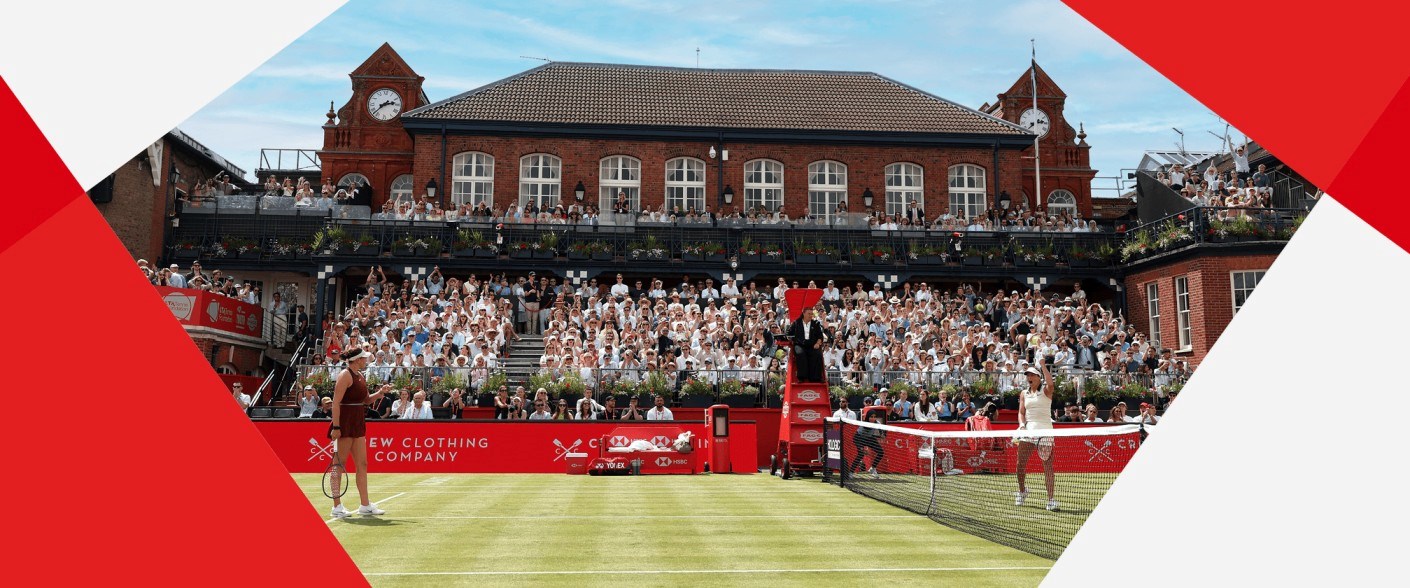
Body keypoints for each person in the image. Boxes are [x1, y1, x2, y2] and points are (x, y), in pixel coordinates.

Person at [328, 348, 388, 518]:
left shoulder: (360, 376)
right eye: (363, 358)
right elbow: (335, 403)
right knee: (339, 465)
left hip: (358, 422)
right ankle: (336, 506)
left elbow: (366, 401)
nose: (365, 360)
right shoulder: (345, 375)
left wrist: (380, 393)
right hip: (345, 424)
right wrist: (337, 427)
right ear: (355, 360)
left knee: (362, 464)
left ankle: (365, 504)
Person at [1014, 363, 1059, 512]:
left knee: (1047, 466)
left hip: (1045, 430)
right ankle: (1022, 491)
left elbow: (1051, 383)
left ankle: (1051, 500)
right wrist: (1021, 425)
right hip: (1028, 431)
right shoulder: (1023, 393)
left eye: (1032, 375)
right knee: (1020, 464)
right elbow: (1021, 412)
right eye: (1027, 375)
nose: (1029, 377)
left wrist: (1043, 365)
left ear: (1039, 378)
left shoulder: (1046, 391)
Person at [789, 306, 828, 383]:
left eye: (812, 314)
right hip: (800, 344)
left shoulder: (815, 323)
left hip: (812, 345)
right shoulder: (796, 323)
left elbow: (820, 336)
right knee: (800, 354)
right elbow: (789, 333)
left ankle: (816, 378)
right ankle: (802, 377)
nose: (811, 315)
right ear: (803, 313)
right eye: (809, 314)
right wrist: (793, 339)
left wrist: (817, 343)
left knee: (817, 354)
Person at [847, 409, 887, 478]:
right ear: (868, 417)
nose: (873, 418)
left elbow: (882, 430)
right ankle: (851, 472)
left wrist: (882, 434)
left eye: (874, 417)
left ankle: (873, 468)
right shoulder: (863, 424)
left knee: (881, 452)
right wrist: (862, 448)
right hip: (859, 438)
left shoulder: (877, 423)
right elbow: (857, 438)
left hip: (869, 438)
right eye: (871, 417)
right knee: (861, 454)